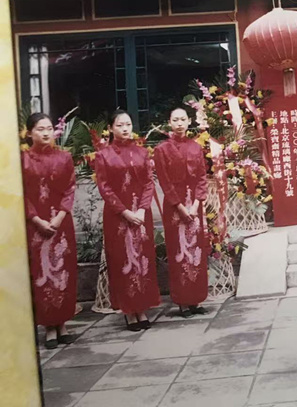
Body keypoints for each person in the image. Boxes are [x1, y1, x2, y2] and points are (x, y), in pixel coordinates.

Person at [94, 109, 160, 329]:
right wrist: (124, 212)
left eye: (128, 125)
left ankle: (142, 307)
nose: (125, 129)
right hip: (117, 216)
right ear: (111, 128)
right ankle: (129, 311)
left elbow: (149, 182)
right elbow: (104, 187)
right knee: (122, 260)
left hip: (140, 214)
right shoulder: (103, 155)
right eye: (120, 125)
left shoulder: (141, 152)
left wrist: (142, 209)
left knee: (143, 259)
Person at [21, 113, 78, 349]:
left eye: (49, 128)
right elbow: (21, 193)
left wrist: (60, 216)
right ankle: (48, 327)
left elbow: (70, 188)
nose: (46, 133)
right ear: (29, 133)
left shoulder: (64, 157)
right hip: (35, 224)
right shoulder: (23, 160)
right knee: (41, 272)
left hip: (61, 223)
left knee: (63, 270)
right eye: (40, 129)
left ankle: (63, 324)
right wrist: (36, 219)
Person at [153, 107, 209, 318]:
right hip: (174, 207)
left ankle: (196, 299)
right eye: (175, 120)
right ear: (169, 122)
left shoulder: (196, 147)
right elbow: (165, 182)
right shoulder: (162, 149)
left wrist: (195, 205)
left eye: (182, 119)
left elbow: (202, 177)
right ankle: (183, 302)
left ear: (189, 122)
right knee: (179, 251)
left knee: (196, 251)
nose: (179, 124)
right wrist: (180, 206)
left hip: (194, 206)